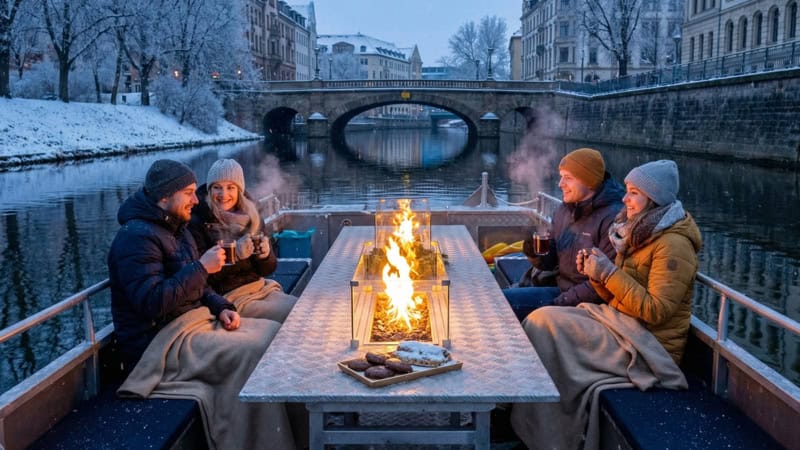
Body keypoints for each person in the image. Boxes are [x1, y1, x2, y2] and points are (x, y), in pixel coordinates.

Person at [511, 159, 702, 450]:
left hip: (648, 345)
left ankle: (550, 436)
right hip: (620, 322)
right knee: (541, 320)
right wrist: (595, 274)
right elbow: (617, 293)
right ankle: (528, 422)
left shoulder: (673, 244)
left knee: (545, 325)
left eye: (634, 192)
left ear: (654, 199)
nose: (625, 198)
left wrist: (607, 273)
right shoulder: (637, 230)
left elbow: (656, 311)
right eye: (626, 190)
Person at [108, 159, 296, 450]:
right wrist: (202, 268)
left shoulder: (176, 227)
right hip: (160, 340)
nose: (197, 200)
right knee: (254, 350)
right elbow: (150, 303)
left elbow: (202, 287)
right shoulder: (136, 238)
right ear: (165, 195)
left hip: (194, 319)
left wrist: (221, 307)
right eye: (190, 193)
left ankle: (294, 433)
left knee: (272, 334)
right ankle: (260, 442)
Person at [502, 147, 624, 321]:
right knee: (502, 298)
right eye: (561, 177)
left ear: (588, 181)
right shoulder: (565, 210)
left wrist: (559, 303)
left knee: (504, 304)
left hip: (586, 303)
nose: (560, 184)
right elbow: (550, 263)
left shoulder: (613, 218)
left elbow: (604, 284)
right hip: (561, 289)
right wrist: (534, 252)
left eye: (568, 178)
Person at [189, 158, 297, 323]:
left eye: (230, 187)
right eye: (217, 187)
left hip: (260, 287)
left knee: (301, 306)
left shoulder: (251, 216)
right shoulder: (197, 221)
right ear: (210, 190)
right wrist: (236, 256)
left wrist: (265, 255)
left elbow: (267, 269)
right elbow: (201, 278)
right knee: (294, 315)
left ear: (239, 190)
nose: (224, 194)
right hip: (228, 297)